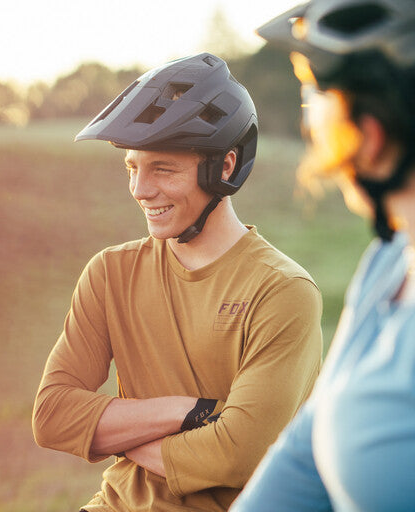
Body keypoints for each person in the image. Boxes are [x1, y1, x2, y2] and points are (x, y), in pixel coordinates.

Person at [32, 53, 323, 512]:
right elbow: (51, 417)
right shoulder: (110, 273)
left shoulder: (282, 290)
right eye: (132, 167)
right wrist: (192, 412)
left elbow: (237, 456)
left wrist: (114, 433)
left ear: (224, 167)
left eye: (161, 169)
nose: (140, 190)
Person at [230, 1, 415, 511]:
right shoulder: (390, 264)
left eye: (317, 99)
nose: (311, 126)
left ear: (370, 135)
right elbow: (308, 447)